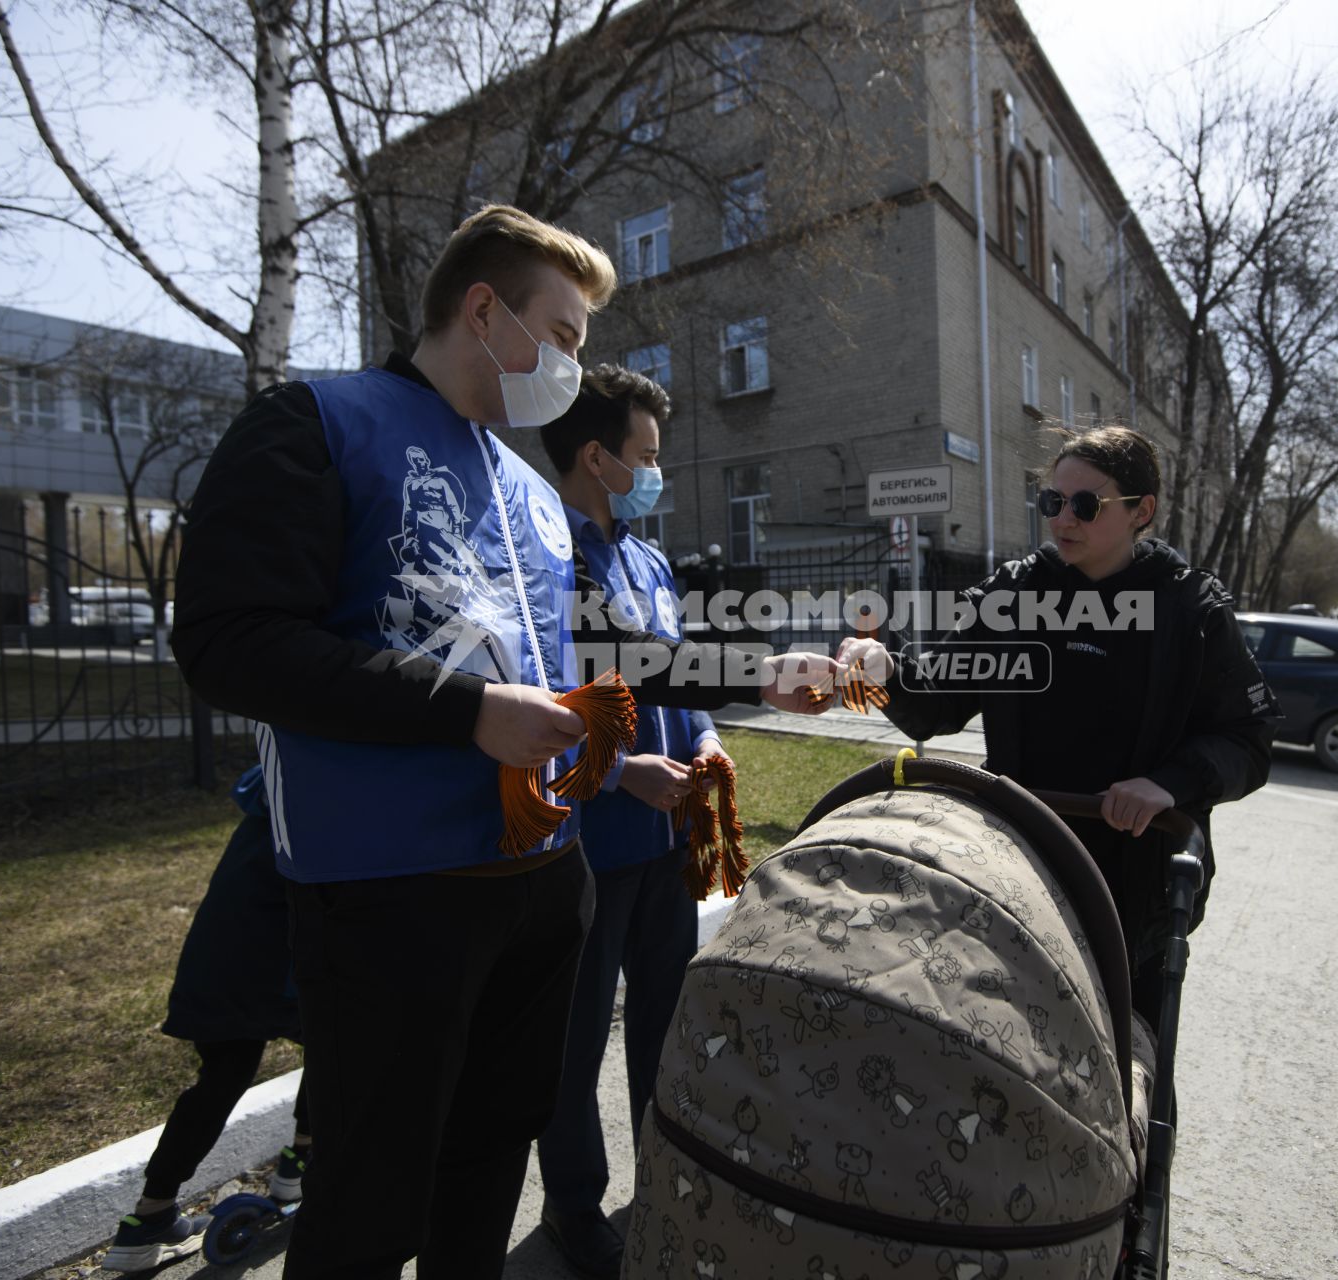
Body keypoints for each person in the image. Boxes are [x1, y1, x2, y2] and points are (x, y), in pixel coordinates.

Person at [170, 203, 834, 1280]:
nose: (575, 364)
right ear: (485, 312)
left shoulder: (528, 490)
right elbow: (229, 641)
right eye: (565, 334)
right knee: (368, 1199)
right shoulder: (315, 423)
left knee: (482, 1174)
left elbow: (604, 654)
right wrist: (466, 711)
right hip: (387, 892)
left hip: (540, 883)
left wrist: (758, 673)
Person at [837, 424, 1276, 1022]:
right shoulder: (1017, 593)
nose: (1062, 519)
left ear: (1141, 510)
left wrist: (1167, 783)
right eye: (1052, 502)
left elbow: (1246, 741)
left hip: (1132, 891)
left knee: (1127, 1067)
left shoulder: (1188, 608)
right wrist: (886, 668)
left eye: (1085, 504)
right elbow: (938, 698)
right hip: (1019, 872)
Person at [532, 366, 728, 1278]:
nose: (657, 471)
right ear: (595, 456)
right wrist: (618, 777)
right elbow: (531, 706)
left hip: (667, 842)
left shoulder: (646, 560)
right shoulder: (539, 558)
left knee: (664, 1019)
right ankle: (573, 1205)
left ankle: (667, 1171)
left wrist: (712, 739)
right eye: (645, 456)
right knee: (573, 1042)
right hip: (588, 844)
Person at [102, 765, 308, 1273]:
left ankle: (149, 1216)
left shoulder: (268, 793)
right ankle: (301, 1163)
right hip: (277, 965)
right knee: (339, 1043)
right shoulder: (322, 810)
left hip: (216, 962)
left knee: (219, 1078)